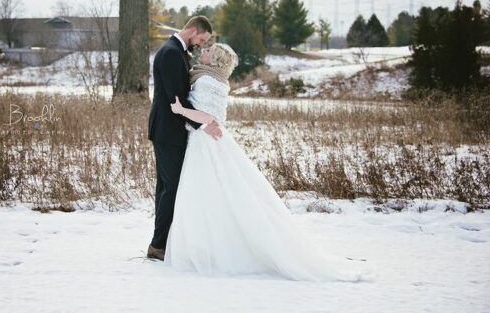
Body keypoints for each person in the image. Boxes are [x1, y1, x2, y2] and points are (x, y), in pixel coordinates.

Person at [164, 43, 373, 282]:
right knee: (209, 195)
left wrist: (181, 110)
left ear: (216, 58)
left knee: (210, 194)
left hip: (206, 144)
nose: (204, 51)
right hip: (203, 141)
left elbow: (210, 118)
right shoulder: (211, 78)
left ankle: (216, 250)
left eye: (209, 50)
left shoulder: (209, 82)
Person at [147, 16, 222, 261]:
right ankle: (158, 246)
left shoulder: (178, 52)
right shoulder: (170, 53)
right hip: (168, 131)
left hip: (171, 130)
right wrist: (204, 123)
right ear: (192, 31)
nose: (201, 45)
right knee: (171, 188)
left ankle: (162, 242)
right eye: (201, 39)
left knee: (166, 188)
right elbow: (175, 101)